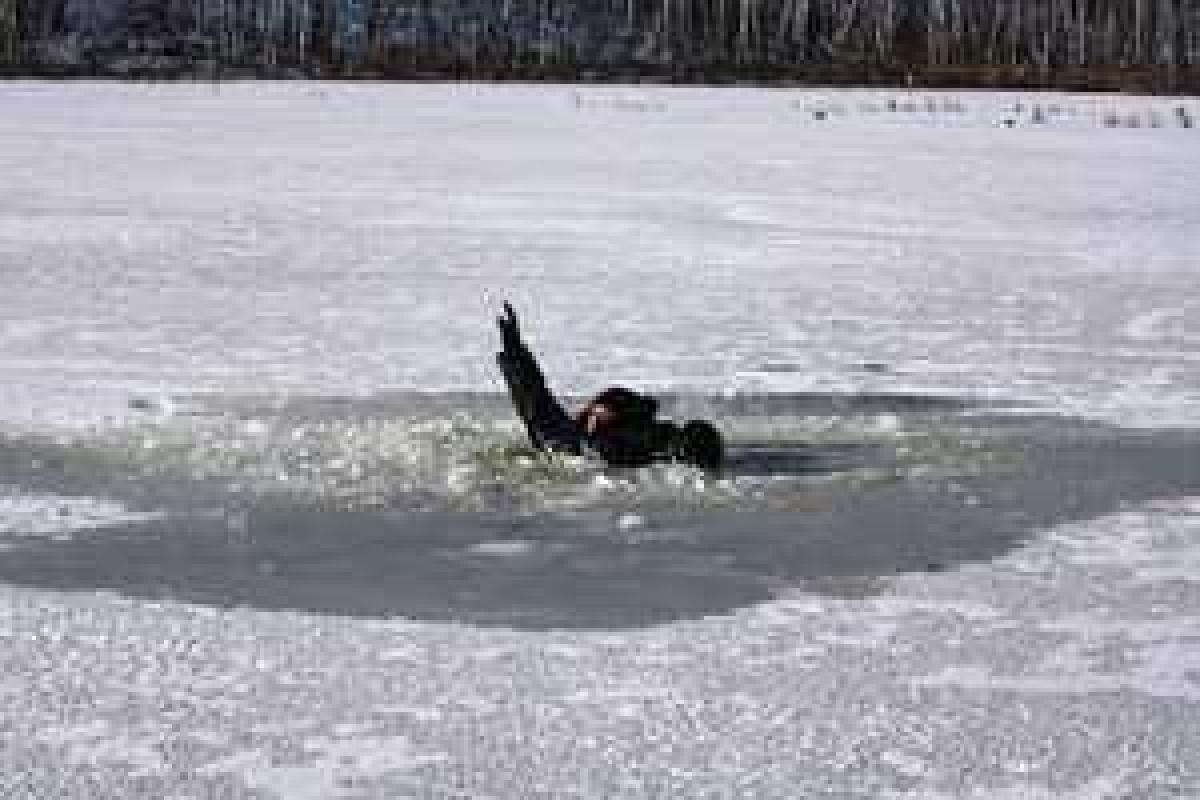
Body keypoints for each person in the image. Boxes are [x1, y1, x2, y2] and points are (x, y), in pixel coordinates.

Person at [495, 303, 724, 469]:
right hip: (600, 437)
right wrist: (515, 349)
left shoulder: (568, 439)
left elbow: (538, 402)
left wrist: (515, 349)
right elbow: (538, 400)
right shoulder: (578, 437)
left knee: (546, 425)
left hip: (595, 440)